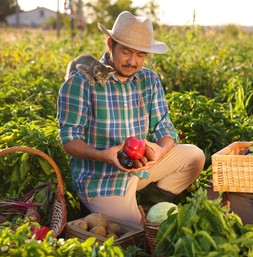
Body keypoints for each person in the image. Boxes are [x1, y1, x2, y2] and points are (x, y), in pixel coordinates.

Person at [57, 11, 205, 228]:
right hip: (102, 180)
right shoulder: (81, 83)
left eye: (140, 54)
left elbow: (165, 127)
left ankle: (147, 205)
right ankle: (125, 214)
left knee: (195, 156)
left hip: (140, 168)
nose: (133, 61)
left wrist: (159, 152)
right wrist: (104, 156)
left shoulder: (149, 79)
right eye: (126, 52)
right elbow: (69, 141)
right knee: (138, 235)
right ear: (110, 44)